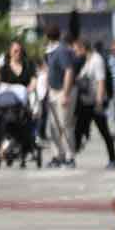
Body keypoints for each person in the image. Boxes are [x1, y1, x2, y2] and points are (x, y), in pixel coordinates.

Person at [73, 39, 115, 168]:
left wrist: (99, 102)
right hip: (86, 102)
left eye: (76, 50)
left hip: (95, 103)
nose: (75, 52)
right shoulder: (86, 61)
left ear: (82, 48)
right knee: (77, 130)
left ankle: (113, 159)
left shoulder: (96, 60)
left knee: (104, 131)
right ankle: (71, 157)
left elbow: (101, 81)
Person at [40, 23, 76, 168]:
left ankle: (69, 157)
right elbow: (49, 72)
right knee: (53, 127)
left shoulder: (61, 50)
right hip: (53, 91)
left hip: (63, 91)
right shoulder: (50, 51)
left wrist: (65, 94)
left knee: (65, 125)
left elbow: (69, 71)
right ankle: (57, 155)